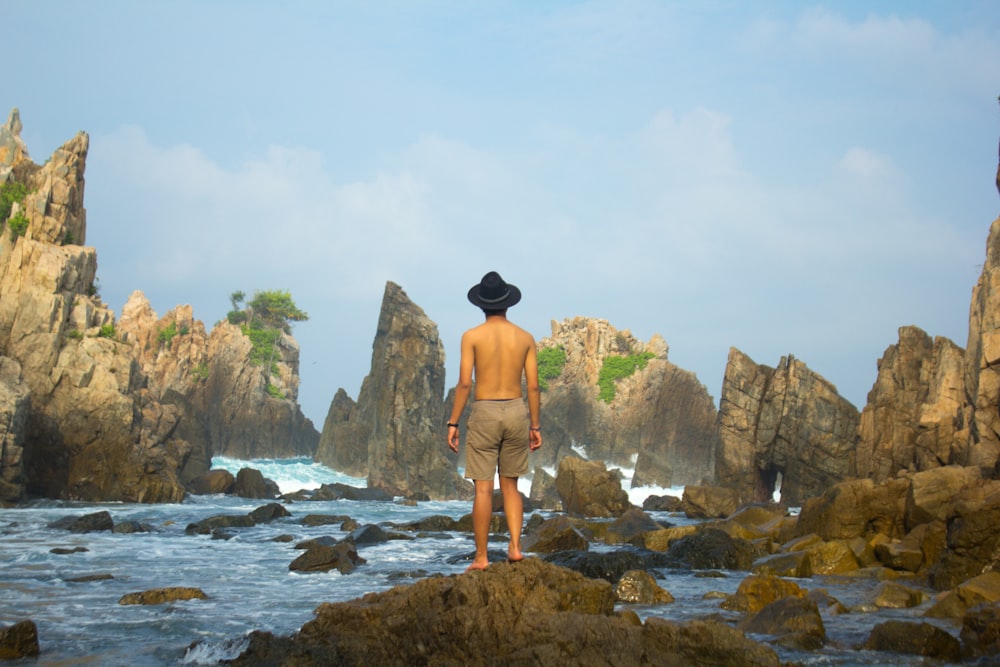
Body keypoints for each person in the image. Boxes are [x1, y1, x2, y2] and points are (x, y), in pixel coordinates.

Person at [447, 271, 542, 571]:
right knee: (511, 486)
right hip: (516, 410)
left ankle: (481, 557)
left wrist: (453, 423)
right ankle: (515, 547)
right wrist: (535, 426)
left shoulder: (471, 336)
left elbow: (464, 384)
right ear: (507, 304)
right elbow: (534, 386)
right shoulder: (525, 338)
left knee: (484, 489)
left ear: (482, 304)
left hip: (485, 411)